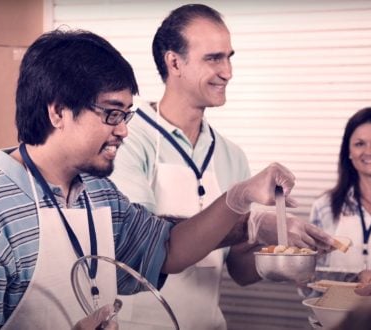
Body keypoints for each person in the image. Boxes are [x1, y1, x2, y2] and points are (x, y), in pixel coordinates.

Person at [0, 29, 330, 329]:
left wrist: (239, 199)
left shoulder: (97, 193)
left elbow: (169, 248)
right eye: (111, 113)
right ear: (57, 112)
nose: (123, 130)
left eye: (126, 114)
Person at [109, 4, 335, 329]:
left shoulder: (230, 154)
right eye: (213, 58)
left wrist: (281, 256)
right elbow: (144, 243)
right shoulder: (128, 139)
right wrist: (252, 224)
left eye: (229, 57)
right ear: (174, 62)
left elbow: (239, 271)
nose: (227, 71)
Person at [309, 107, 371, 278]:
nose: (369, 151)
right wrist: (303, 275)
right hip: (338, 305)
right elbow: (313, 280)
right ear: (349, 151)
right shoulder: (323, 207)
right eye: (359, 144)